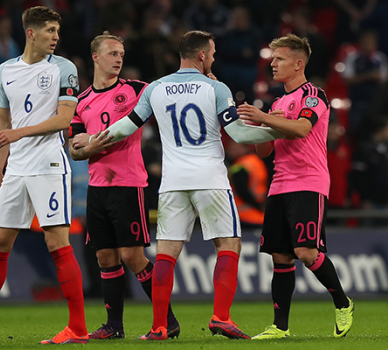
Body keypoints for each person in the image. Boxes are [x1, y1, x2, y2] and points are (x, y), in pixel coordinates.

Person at [74, 30, 285, 340]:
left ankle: (159, 326)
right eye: (211, 53)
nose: (213, 58)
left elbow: (124, 127)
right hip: (210, 178)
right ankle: (221, 317)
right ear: (201, 55)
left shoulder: (156, 88)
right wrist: (277, 129)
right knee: (228, 244)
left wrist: (92, 140)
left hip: (172, 183)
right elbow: (240, 135)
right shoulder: (216, 88)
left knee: (166, 253)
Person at [0, 6, 88, 345]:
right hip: (17, 168)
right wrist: (1, 161)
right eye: (49, 31)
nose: (56, 37)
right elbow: (3, 120)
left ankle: (78, 328)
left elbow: (63, 121)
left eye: (57, 31)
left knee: (57, 241)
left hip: (49, 164)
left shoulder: (64, 69)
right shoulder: (5, 71)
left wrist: (17, 134)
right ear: (31, 33)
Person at [237, 33, 354, 340]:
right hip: (279, 184)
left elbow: (302, 129)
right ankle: (280, 327)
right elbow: (265, 151)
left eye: (280, 59)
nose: (272, 64)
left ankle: (343, 302)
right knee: (281, 256)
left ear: (298, 63)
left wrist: (265, 117)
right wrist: (260, 127)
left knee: (305, 251)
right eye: (273, 58)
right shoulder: (277, 102)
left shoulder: (313, 95)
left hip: (308, 181)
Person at [68, 32, 179, 340]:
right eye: (113, 53)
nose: (119, 58)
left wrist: (90, 142)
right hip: (97, 186)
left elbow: (169, 93)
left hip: (129, 184)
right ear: (95, 57)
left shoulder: (136, 91)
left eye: (121, 53)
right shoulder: (81, 102)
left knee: (132, 256)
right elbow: (74, 150)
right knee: (105, 258)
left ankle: (167, 320)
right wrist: (89, 148)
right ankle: (114, 326)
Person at [226, 140, 268, 229]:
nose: (230, 150)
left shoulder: (239, 166)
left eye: (234, 147)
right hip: (261, 214)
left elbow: (242, 191)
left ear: (245, 147)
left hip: (244, 215)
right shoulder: (256, 161)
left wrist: (257, 206)